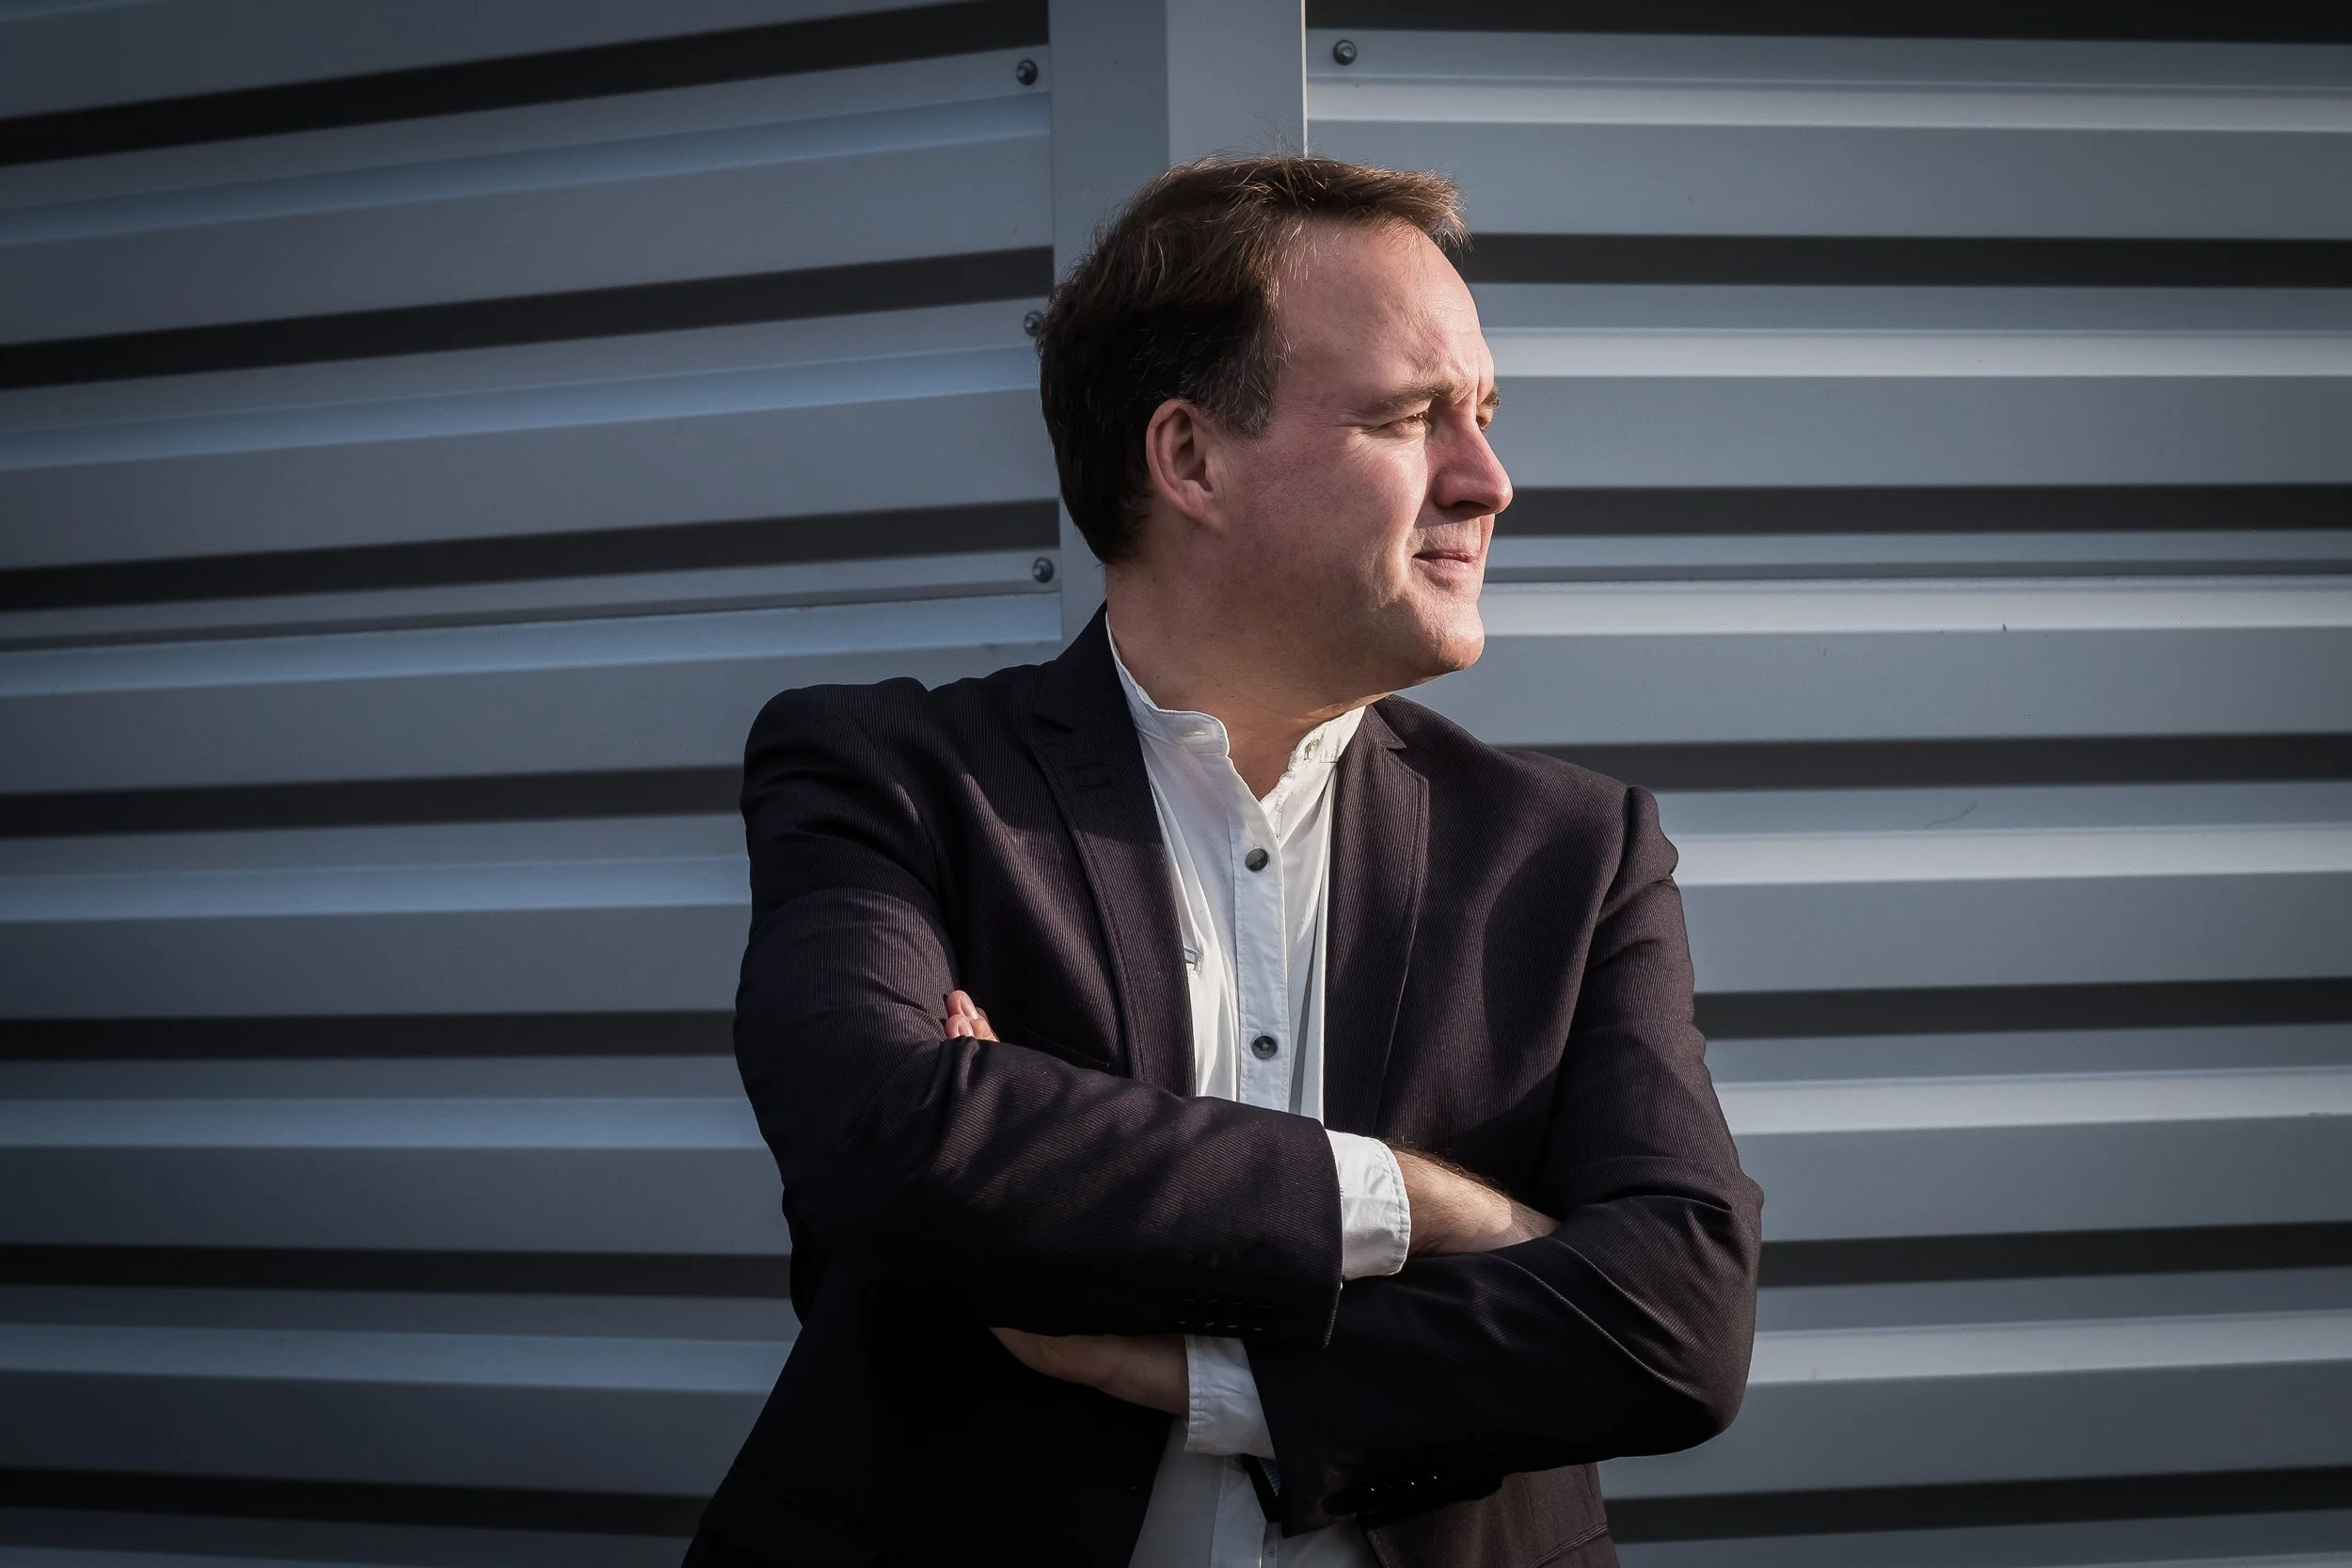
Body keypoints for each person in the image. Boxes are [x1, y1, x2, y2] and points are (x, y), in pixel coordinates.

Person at [683, 155, 1761, 1568]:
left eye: (1485, 416)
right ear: (1190, 459)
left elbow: (1678, 1323)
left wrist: (1211, 1379)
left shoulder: (1572, 852)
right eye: (1410, 417)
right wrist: (1423, 1203)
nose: (1488, 480)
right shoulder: (898, 777)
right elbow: (888, 1140)